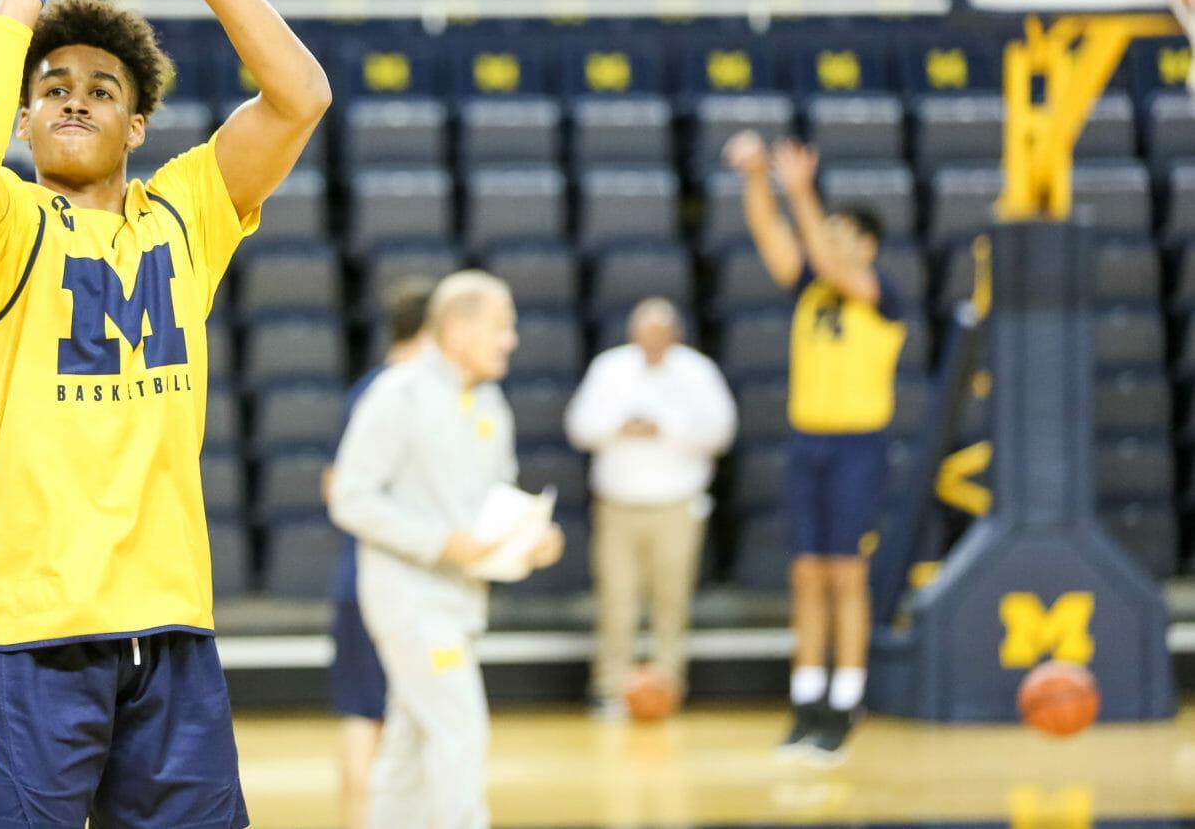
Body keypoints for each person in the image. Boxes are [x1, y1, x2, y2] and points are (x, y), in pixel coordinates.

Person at [0, 0, 330, 829]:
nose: (72, 97)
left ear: (137, 124)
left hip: (172, 625)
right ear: (22, 118)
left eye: (101, 89)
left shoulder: (187, 210)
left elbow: (300, 96)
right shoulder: (4, 223)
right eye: (51, 87)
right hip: (30, 629)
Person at [328, 270, 566, 829]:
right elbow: (349, 498)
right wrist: (441, 543)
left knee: (408, 747)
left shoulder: (491, 404)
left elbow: (493, 503)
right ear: (457, 330)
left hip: (461, 601)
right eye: (501, 327)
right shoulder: (397, 395)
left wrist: (528, 540)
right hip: (408, 600)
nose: (511, 340)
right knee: (461, 730)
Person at [723, 131, 907, 764]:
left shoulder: (881, 294)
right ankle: (805, 701)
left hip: (859, 445)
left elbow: (826, 260)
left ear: (867, 246)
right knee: (805, 573)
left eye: (838, 232)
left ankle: (845, 700)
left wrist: (801, 192)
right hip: (809, 442)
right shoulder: (809, 287)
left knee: (846, 574)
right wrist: (756, 178)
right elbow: (771, 236)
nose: (823, 239)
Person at [564, 297, 736, 719]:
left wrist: (666, 429)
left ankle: (667, 686)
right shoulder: (610, 368)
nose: (653, 341)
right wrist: (619, 427)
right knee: (616, 600)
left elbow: (722, 431)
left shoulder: (697, 372)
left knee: (671, 600)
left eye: (661, 333)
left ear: (675, 335)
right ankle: (610, 688)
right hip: (618, 504)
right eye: (645, 333)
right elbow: (579, 426)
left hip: (675, 504)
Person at [326, 277, 435, 829]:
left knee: (364, 714)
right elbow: (340, 489)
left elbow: (332, 481)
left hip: (362, 579)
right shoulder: (409, 393)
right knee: (389, 718)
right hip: (390, 581)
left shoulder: (367, 388)